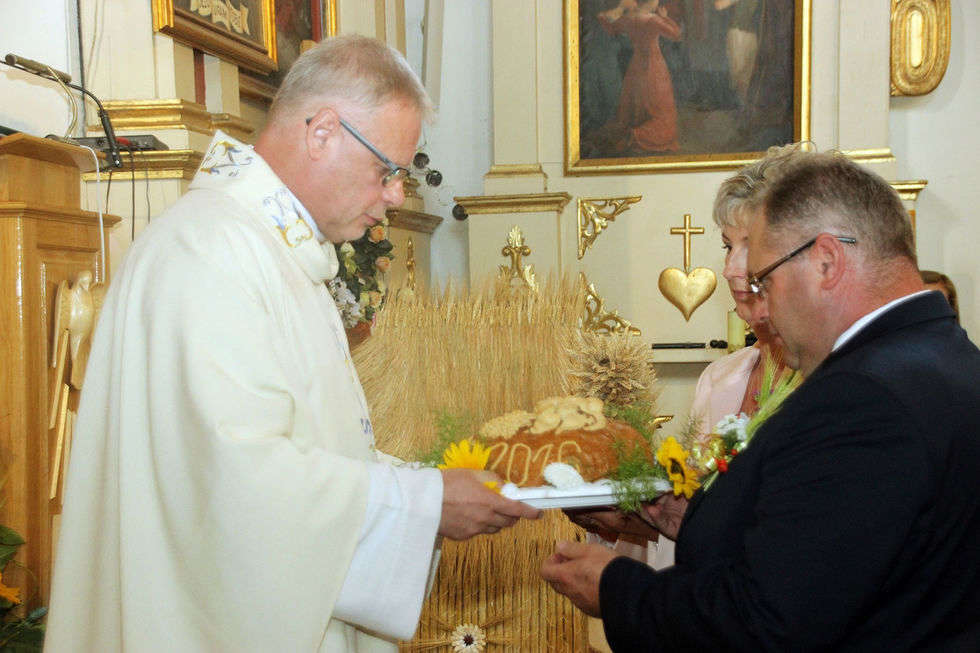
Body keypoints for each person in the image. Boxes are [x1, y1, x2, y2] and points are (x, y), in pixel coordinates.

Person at [45, 35, 539, 652]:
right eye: (388, 170)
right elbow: (236, 487)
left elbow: (306, 447)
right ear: (324, 131)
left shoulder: (269, 250)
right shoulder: (210, 253)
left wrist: (428, 485)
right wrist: (424, 504)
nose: (393, 197)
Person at [542, 151, 980, 650]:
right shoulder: (949, 358)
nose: (761, 301)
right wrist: (694, 522)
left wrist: (616, 588)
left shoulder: (859, 398)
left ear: (827, 261)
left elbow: (768, 625)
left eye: (764, 278)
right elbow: (843, 553)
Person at [566, 144, 801, 570]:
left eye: (750, 246)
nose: (730, 269)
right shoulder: (721, 379)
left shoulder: (828, 381)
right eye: (728, 246)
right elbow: (694, 529)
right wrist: (621, 519)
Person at [597, 0, 682, 154]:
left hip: (635, 67)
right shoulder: (654, 20)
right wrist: (665, 17)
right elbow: (676, 34)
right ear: (649, 3)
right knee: (659, 106)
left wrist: (608, 14)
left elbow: (610, 28)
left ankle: (631, 132)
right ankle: (638, 135)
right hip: (654, 67)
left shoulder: (629, 18)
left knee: (638, 103)